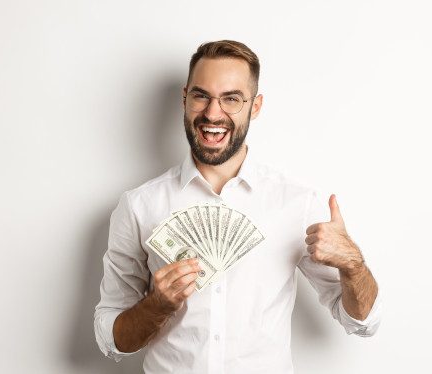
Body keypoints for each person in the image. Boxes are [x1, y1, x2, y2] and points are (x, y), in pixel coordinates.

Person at [94, 40, 381, 373]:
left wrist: (353, 265)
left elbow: (362, 322)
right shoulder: (139, 206)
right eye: (201, 96)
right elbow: (112, 340)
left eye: (231, 99)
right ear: (185, 98)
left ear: (255, 106)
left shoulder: (297, 203)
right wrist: (156, 305)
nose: (213, 113)